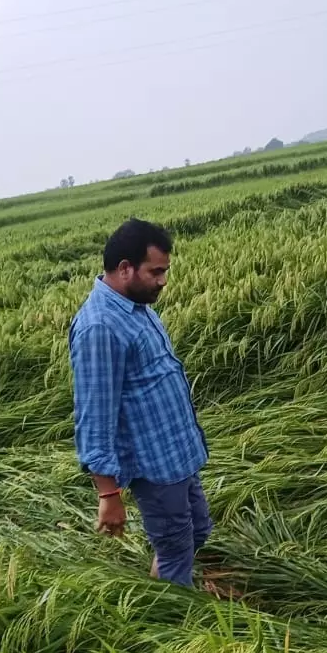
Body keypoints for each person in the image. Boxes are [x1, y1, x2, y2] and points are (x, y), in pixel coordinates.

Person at [69, 219, 211, 588]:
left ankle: (165, 582)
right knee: (176, 548)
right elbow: (94, 417)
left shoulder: (136, 305)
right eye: (156, 271)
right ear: (125, 268)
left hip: (178, 456)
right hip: (155, 468)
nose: (163, 280)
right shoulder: (100, 327)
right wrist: (109, 494)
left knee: (197, 532)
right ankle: (174, 624)